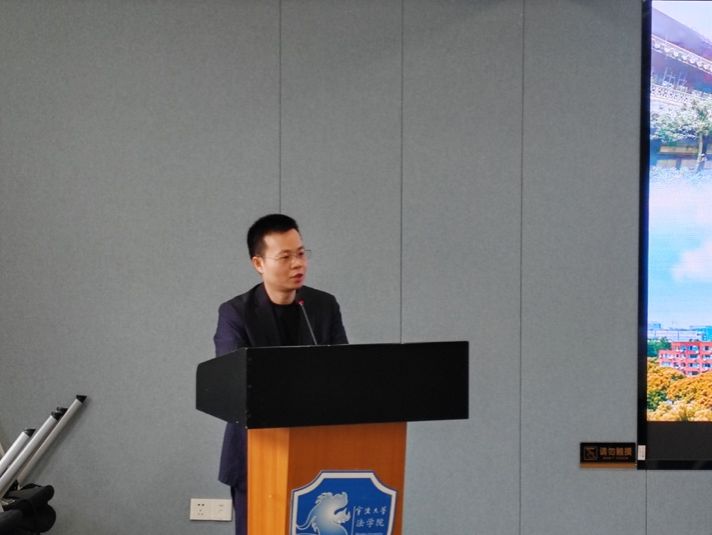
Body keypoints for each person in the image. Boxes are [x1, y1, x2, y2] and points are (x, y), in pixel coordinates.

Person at [213, 213, 348, 535]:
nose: (298, 263)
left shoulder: (323, 306)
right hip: (256, 454)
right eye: (285, 257)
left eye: (301, 253)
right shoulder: (235, 313)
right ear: (259, 263)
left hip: (316, 452)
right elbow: (234, 382)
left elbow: (345, 372)